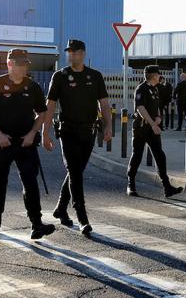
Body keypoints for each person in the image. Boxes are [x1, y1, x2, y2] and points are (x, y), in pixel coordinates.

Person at [0, 49, 55, 240]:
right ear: (9, 64)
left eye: (25, 64)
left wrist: (33, 133)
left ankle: (36, 224)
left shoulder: (32, 86)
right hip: (3, 142)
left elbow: (41, 113)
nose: (22, 67)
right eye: (18, 64)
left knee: (30, 182)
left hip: (25, 142)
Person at [43, 39, 112, 237]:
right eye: (69, 52)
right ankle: (82, 217)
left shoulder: (95, 76)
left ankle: (61, 208)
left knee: (77, 171)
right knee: (74, 170)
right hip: (67, 131)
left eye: (74, 52)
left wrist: (108, 126)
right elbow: (50, 106)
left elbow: (104, 104)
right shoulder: (60, 76)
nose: (71, 55)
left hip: (89, 131)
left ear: (82, 53)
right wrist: (45, 132)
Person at [126, 65, 184, 198]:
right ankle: (131, 185)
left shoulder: (155, 89)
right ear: (153, 75)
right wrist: (153, 124)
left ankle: (167, 187)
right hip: (141, 128)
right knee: (137, 156)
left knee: (160, 156)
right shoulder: (141, 89)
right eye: (158, 74)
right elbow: (140, 108)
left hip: (153, 128)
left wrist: (158, 117)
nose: (160, 77)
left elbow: (156, 106)